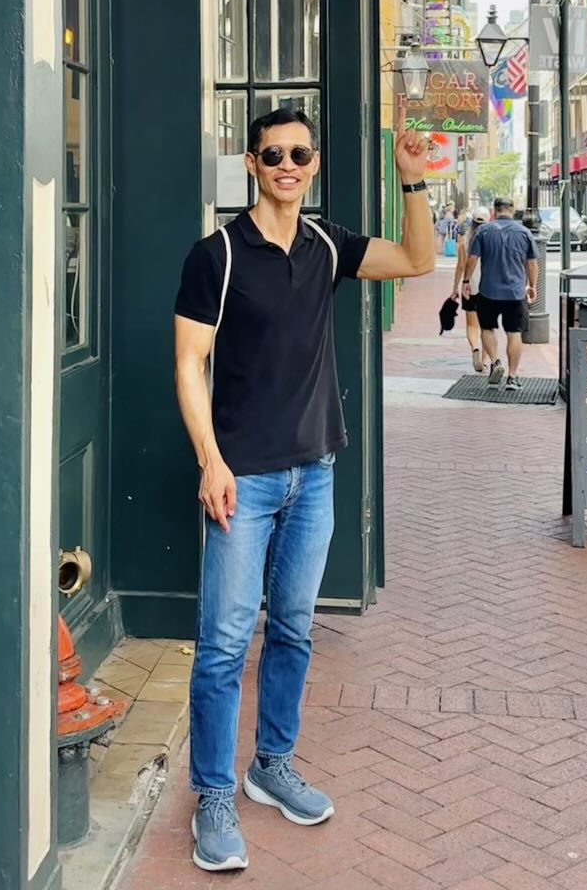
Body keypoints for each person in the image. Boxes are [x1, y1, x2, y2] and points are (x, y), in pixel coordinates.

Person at [173, 108, 435, 872]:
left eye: (300, 154)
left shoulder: (327, 245)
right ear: (252, 164)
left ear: (314, 164)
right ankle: (214, 796)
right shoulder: (216, 255)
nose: (287, 164)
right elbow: (190, 364)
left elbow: (419, 259)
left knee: (291, 629)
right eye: (273, 154)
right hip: (243, 478)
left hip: (314, 472)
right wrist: (210, 461)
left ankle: (270, 766)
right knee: (223, 645)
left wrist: (411, 177)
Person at [464, 197, 539, 390]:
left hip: (488, 291)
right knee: (514, 333)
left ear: (494, 211)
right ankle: (512, 377)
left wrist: (466, 280)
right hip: (515, 293)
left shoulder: (483, 231)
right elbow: (532, 263)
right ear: (512, 210)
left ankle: (496, 362)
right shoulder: (524, 233)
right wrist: (532, 285)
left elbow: (472, 258)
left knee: (487, 328)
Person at [452, 208, 490, 372]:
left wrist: (455, 287)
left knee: (472, 325)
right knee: (487, 327)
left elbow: (460, 266)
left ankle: (475, 347)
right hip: (489, 287)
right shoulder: (492, 239)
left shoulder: (464, 241)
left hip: (469, 286)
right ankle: (486, 360)